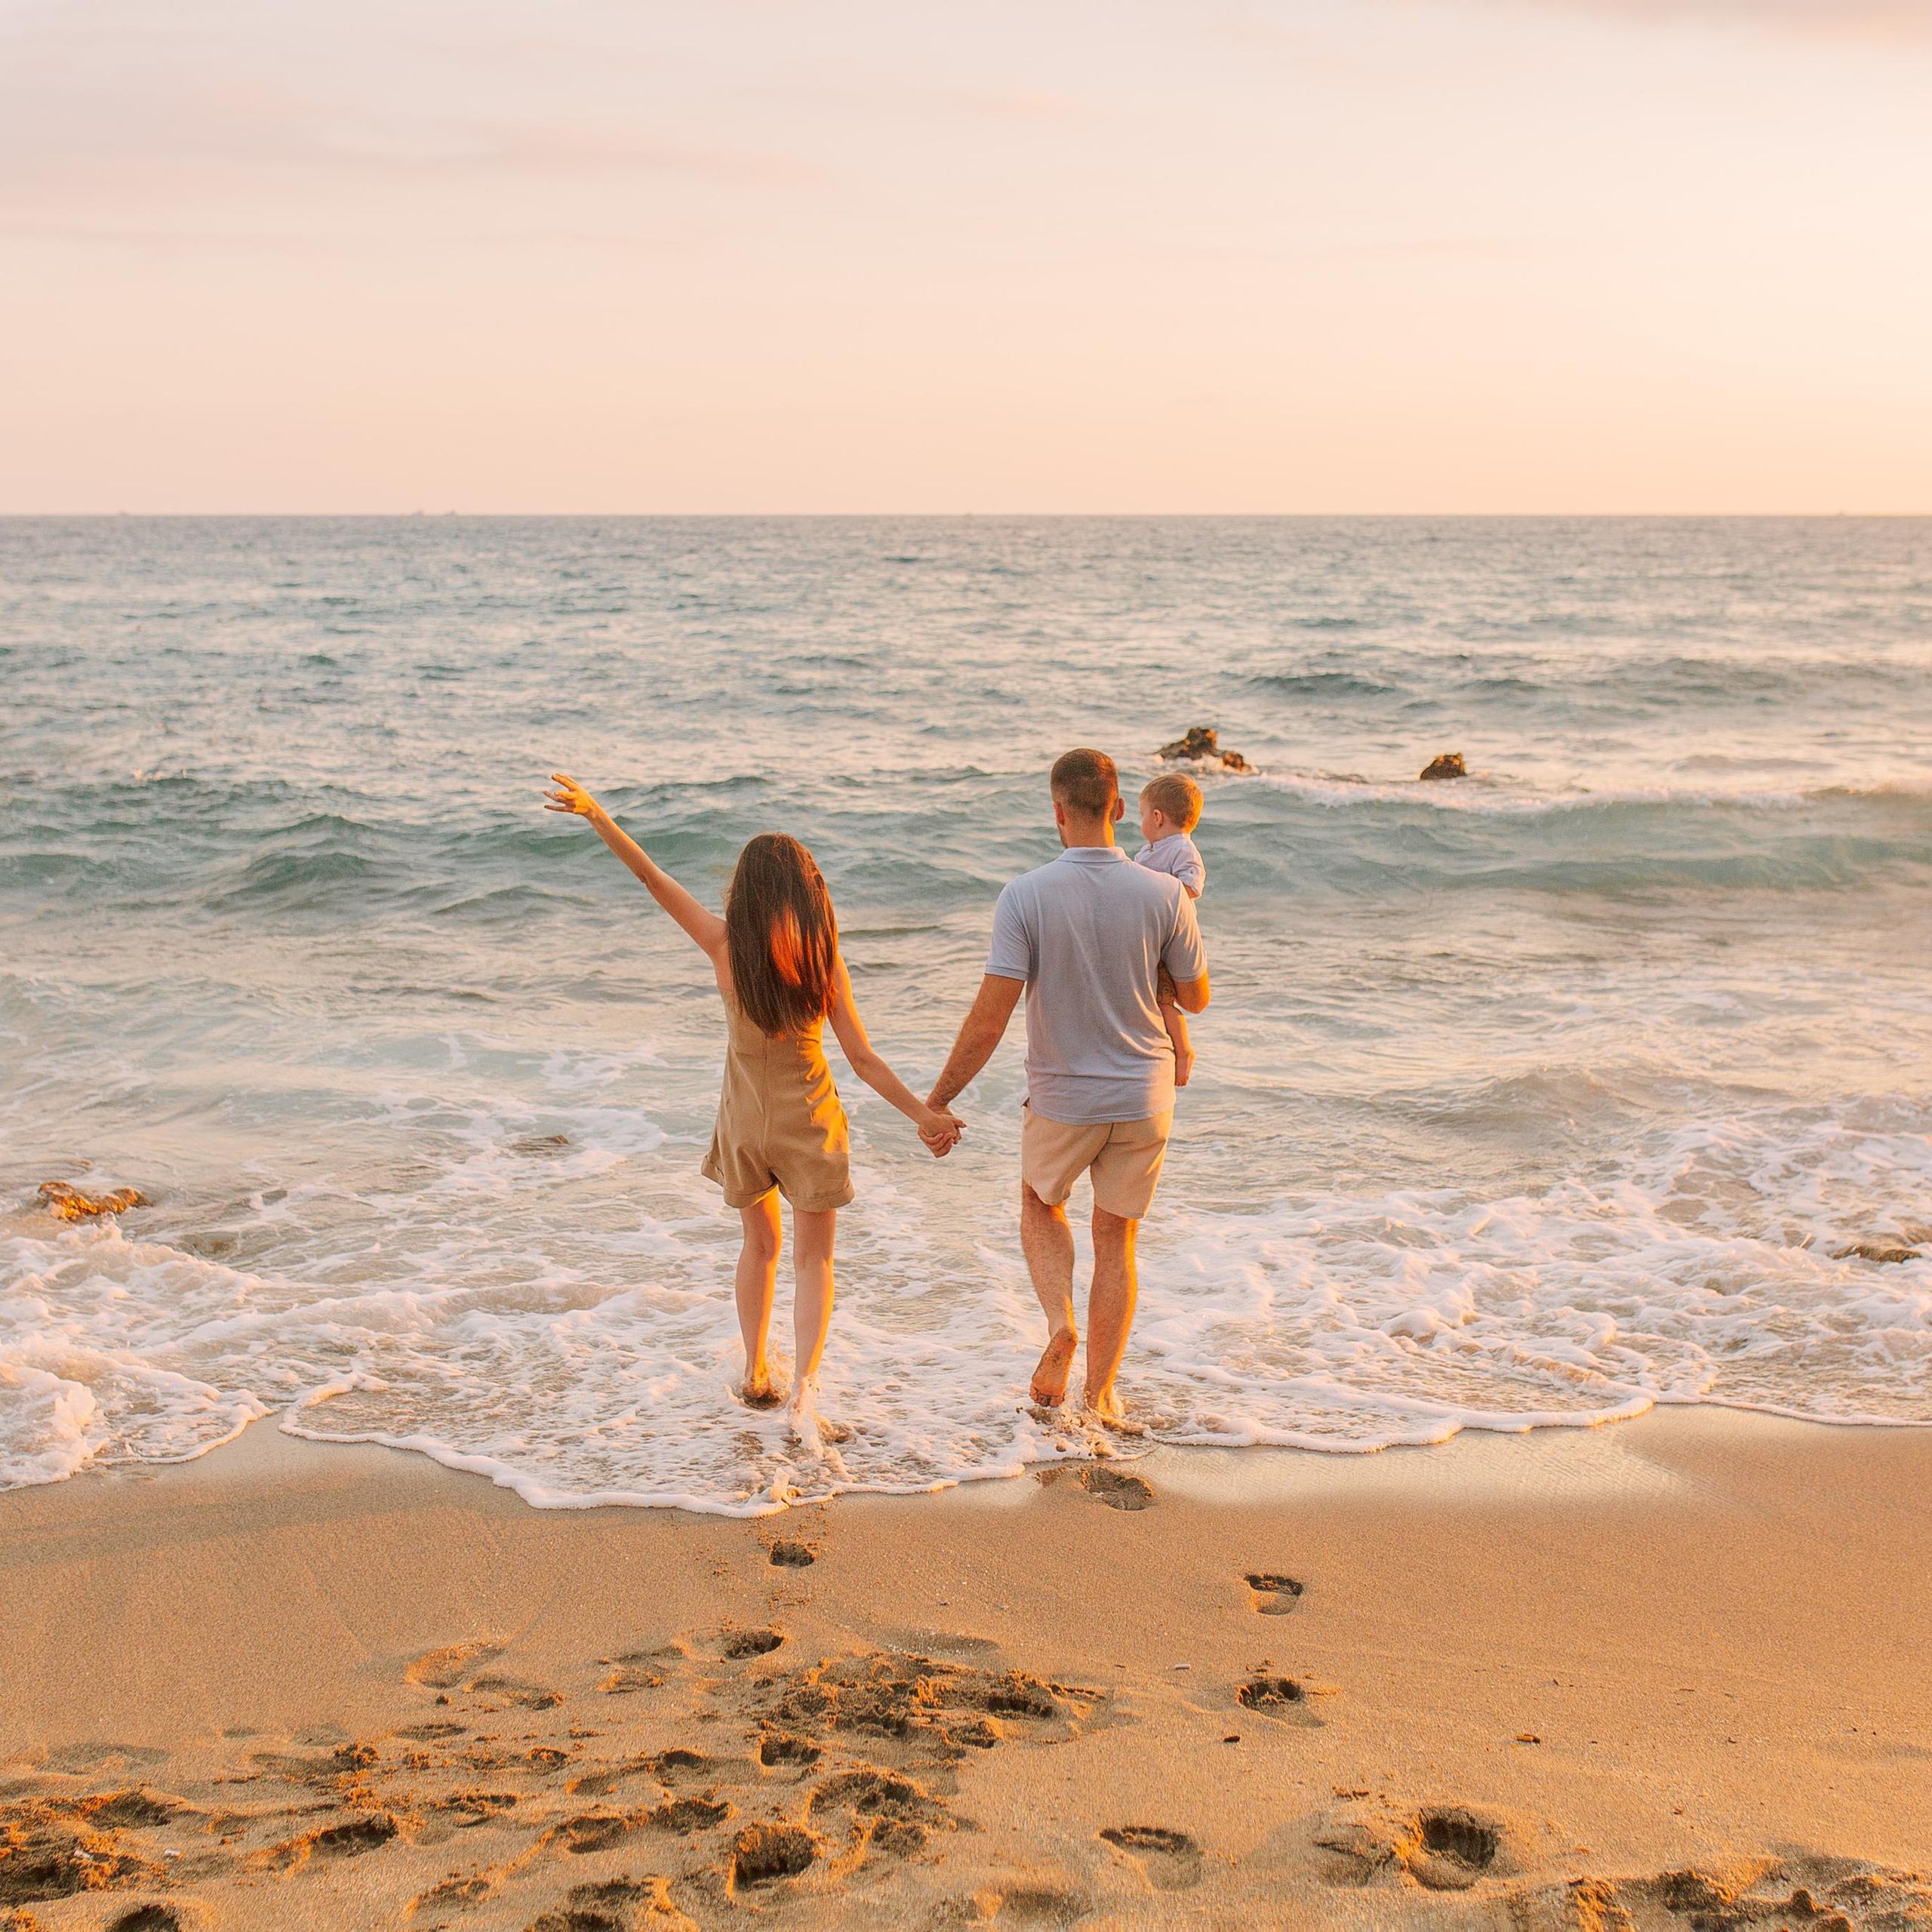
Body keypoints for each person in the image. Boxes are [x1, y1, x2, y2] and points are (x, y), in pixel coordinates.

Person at [543, 774, 961, 1439]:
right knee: (813, 1260)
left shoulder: (722, 946)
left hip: (743, 1122)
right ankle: (804, 1392)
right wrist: (924, 1115)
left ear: (745, 891)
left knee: (759, 1248)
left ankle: (754, 1368)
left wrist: (598, 814)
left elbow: (653, 880)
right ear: (808, 895)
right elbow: (863, 1059)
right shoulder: (823, 963)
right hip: (810, 1122)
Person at [922, 749, 1208, 1427]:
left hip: (1063, 1101)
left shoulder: (1025, 894)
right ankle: (1100, 1396)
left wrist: (938, 1100)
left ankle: (1060, 1324)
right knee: (1117, 1241)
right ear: (1117, 809)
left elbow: (990, 1018)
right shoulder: (1165, 893)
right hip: (1146, 1097)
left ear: (1057, 811)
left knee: (1038, 1203)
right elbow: (1195, 998)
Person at [1134, 773, 1207, 1088]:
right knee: (1149, 998)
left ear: (1157, 817)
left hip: (1169, 937)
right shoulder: (1146, 853)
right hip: (1148, 935)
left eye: (1141, 816)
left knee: (1165, 1001)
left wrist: (1160, 893)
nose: (1141, 823)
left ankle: (1183, 1051)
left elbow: (1192, 885)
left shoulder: (1182, 850)